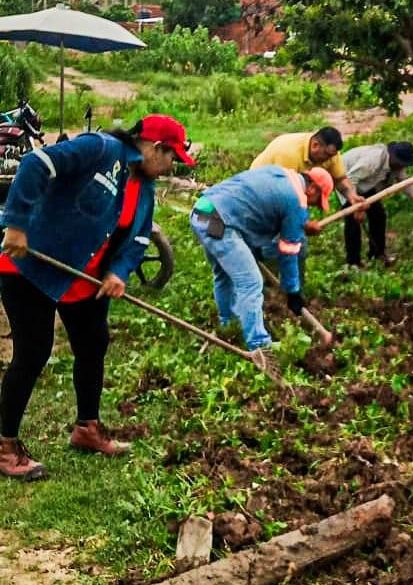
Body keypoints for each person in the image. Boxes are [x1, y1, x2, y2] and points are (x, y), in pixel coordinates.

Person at [0, 114, 195, 480]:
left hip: (82, 280)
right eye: (171, 159)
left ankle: (87, 428)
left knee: (93, 344)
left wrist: (119, 271)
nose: (171, 168)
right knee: (34, 350)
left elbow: (138, 239)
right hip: (30, 265)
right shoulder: (100, 149)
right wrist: (16, 224)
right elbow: (35, 163)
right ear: (156, 147)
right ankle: (4, 445)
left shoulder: (146, 192)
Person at [190, 165, 333, 353]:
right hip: (220, 221)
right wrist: (293, 292)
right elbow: (289, 251)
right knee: (251, 282)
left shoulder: (282, 174)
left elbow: (258, 204)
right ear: (312, 188)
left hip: (203, 210)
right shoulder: (296, 200)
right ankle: (259, 345)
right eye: (315, 201)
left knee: (224, 275)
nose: (312, 206)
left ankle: (228, 325)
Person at [341, 141, 413, 267]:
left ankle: (377, 254)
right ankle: (353, 263)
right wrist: (356, 207)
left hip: (365, 184)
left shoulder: (396, 166)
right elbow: (350, 179)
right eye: (401, 163)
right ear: (393, 156)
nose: (402, 167)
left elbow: (406, 184)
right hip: (346, 182)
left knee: (378, 215)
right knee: (353, 222)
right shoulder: (373, 160)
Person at [251, 126, 364, 209]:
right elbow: (286, 196)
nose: (330, 159)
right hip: (258, 189)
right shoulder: (288, 154)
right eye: (327, 155)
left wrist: (352, 197)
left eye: (332, 156)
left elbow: (340, 180)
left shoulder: (331, 154)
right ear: (315, 145)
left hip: (284, 190)